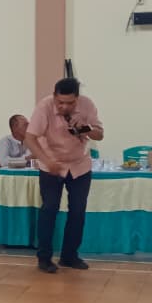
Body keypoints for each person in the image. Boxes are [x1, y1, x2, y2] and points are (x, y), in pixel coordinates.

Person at [24, 77, 103, 274]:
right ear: (54, 96)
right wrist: (46, 160)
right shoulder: (44, 107)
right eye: (60, 102)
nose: (64, 107)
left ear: (77, 98)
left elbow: (99, 134)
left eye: (70, 103)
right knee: (49, 209)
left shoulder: (87, 105)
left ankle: (69, 256)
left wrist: (84, 127)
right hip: (52, 165)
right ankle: (44, 258)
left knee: (78, 211)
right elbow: (30, 138)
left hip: (79, 165)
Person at [0, 115, 31, 241]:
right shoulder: (5, 141)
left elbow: (33, 160)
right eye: (25, 124)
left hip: (24, 178)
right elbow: (3, 161)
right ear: (15, 127)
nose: (29, 126)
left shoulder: (31, 141)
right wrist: (25, 159)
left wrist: (10, 161)